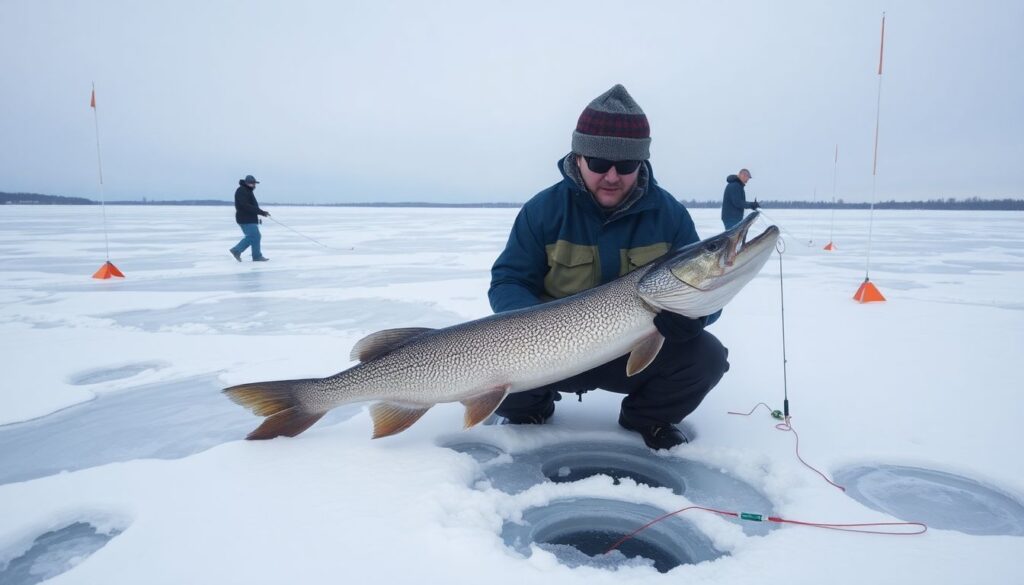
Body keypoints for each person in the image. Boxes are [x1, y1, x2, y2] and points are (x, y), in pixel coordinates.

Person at [488, 84, 730, 450]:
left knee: (706, 356)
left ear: (641, 163)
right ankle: (531, 409)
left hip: (633, 347)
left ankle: (648, 418)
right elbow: (508, 280)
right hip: (549, 353)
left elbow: (706, 285)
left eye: (626, 165)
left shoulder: (670, 216)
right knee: (493, 363)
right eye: (599, 164)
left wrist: (695, 320)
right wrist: (534, 326)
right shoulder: (543, 211)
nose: (612, 176)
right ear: (579, 157)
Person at [229, 174, 270, 262]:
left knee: (255, 236)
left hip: (249, 218)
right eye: (251, 183)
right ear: (246, 183)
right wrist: (261, 212)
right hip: (245, 218)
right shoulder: (242, 190)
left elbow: (251, 206)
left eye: (254, 183)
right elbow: (245, 205)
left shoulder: (247, 190)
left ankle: (256, 256)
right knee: (253, 236)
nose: (253, 185)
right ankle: (237, 250)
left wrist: (262, 212)